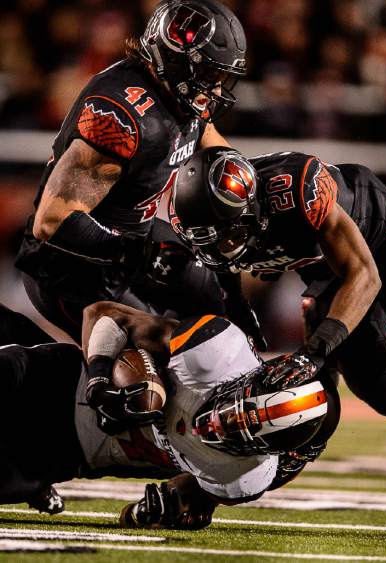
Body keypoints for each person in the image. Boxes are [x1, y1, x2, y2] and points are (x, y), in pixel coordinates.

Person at [169, 146, 386, 541]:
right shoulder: (217, 227)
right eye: (210, 238)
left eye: (228, 232)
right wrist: (248, 339)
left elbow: (365, 275)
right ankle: (207, 484)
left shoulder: (296, 189)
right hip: (330, 276)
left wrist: (316, 350)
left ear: (252, 206)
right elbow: (229, 288)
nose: (221, 246)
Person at [15, 0, 248, 346]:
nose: (215, 90)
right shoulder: (123, 117)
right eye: (210, 76)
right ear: (178, 63)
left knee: (221, 299)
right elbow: (51, 221)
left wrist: (248, 195)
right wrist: (140, 255)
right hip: (72, 267)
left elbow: (211, 144)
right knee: (155, 354)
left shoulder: (178, 94)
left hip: (132, 239)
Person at [0, 302, 340, 529]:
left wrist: (158, 510)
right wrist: (100, 379)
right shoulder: (214, 352)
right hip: (52, 381)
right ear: (250, 378)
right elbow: (105, 314)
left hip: (62, 458)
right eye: (238, 409)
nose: (220, 423)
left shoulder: (245, 477)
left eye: (241, 434)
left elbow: (166, 507)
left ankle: (32, 487)